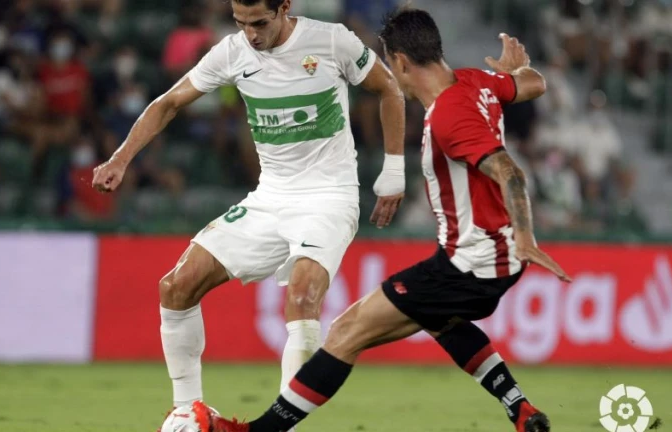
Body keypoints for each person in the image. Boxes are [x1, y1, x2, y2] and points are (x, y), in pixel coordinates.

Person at [197, 8, 570, 432]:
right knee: (440, 319)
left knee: (346, 331)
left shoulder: (450, 115)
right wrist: (515, 69)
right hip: (491, 258)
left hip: (472, 262)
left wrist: (526, 236)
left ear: (400, 62)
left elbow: (509, 171)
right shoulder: (477, 82)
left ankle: (259, 431)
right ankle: (520, 409)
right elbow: (534, 84)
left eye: (390, 65)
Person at [90, 0, 406, 426]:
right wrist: (120, 158)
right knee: (176, 287)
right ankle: (188, 411)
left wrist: (393, 170)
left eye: (259, 22)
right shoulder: (232, 51)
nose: (251, 34)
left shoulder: (331, 41)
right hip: (269, 197)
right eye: (241, 23)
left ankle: (279, 425)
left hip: (328, 196)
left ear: (284, 7)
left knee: (302, 297)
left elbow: (389, 88)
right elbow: (168, 103)